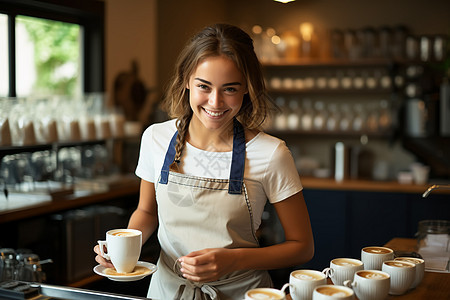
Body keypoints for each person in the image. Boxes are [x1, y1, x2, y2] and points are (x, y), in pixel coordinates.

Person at [94, 23, 314, 300]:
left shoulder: (271, 153)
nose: (215, 101)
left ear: (247, 88)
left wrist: (234, 260)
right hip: (167, 291)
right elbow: (147, 212)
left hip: (242, 292)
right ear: (186, 80)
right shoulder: (155, 138)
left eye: (230, 89)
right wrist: (124, 248)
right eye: (204, 86)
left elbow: (302, 246)